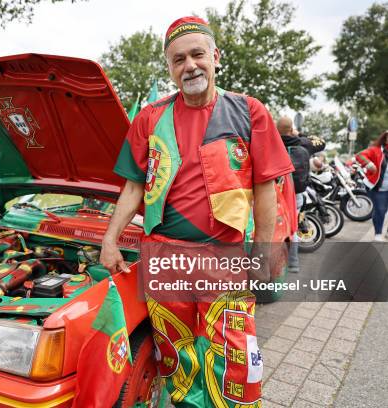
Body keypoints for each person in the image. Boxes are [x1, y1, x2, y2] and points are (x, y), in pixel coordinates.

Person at [100, 16, 295, 407]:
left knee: (232, 357)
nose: (188, 65)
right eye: (178, 59)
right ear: (169, 68)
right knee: (177, 355)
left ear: (215, 57)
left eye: (196, 54)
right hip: (164, 257)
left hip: (224, 257)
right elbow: (134, 186)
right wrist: (109, 240)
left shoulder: (249, 111)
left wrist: (263, 251)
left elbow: (265, 188)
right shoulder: (149, 118)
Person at [277, 116, 325, 272]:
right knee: (292, 227)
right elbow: (321, 142)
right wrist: (300, 134)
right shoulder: (304, 143)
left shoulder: (271, 142)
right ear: (291, 129)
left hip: (275, 194)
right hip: (296, 194)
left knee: (273, 227)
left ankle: (275, 262)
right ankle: (294, 263)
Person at [354, 130, 388, 241]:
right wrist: (369, 164)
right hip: (378, 187)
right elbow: (359, 155)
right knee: (380, 210)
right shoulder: (376, 150)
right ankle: (378, 234)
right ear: (385, 138)